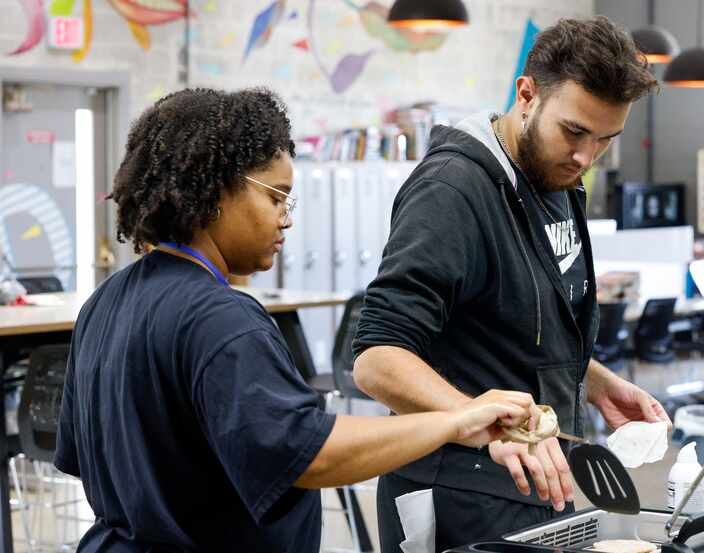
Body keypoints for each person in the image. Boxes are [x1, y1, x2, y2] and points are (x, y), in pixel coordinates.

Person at [54, 87, 539, 553]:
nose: (285, 218)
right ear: (214, 191)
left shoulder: (106, 301)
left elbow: (90, 458)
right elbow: (312, 453)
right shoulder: (221, 318)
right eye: (275, 197)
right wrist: (454, 420)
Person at [352, 16, 671, 552]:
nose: (585, 158)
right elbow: (377, 359)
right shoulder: (451, 191)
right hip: (454, 490)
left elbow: (516, 324)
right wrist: (484, 423)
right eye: (573, 132)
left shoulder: (558, 177)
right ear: (527, 94)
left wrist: (592, 380)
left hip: (542, 485)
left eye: (605, 141)